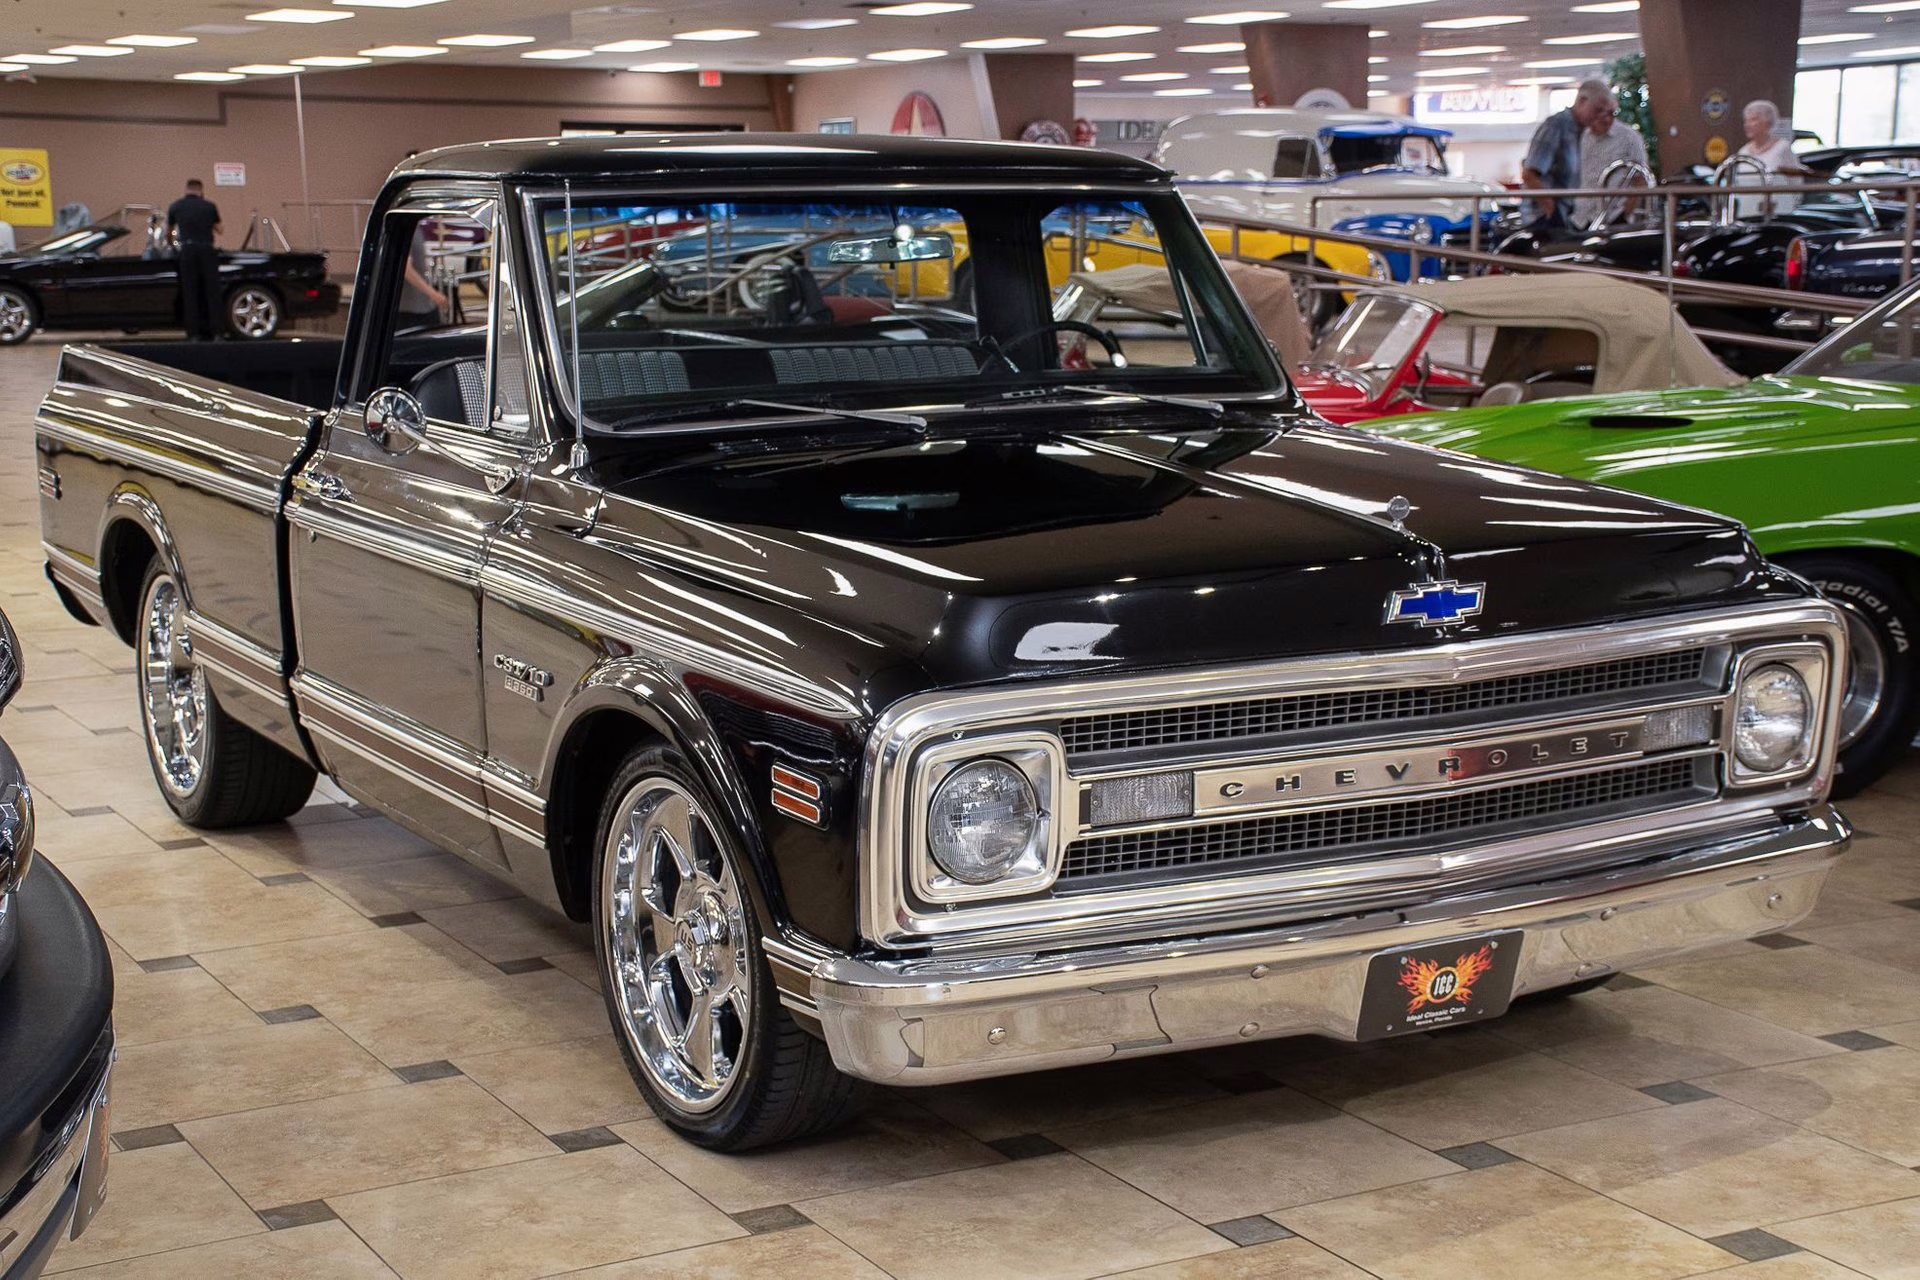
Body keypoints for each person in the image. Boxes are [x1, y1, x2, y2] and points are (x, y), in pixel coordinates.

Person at [1521, 79, 1615, 230]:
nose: (1599, 117)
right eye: (1597, 110)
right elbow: (1529, 174)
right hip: (1542, 218)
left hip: (1566, 214)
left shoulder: (1582, 133)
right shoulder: (1555, 126)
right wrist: (1552, 211)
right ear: (1582, 101)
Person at [1573, 90, 1649, 230]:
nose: (1606, 118)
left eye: (1611, 113)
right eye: (1600, 112)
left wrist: (1627, 212)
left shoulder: (1629, 137)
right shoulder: (1582, 136)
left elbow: (1641, 179)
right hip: (1582, 216)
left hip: (1615, 215)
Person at [166, 179, 222, 340]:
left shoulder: (176, 206)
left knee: (190, 292)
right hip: (206, 249)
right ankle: (217, 332)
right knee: (212, 292)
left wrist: (173, 246)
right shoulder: (209, 206)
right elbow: (220, 229)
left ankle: (193, 333)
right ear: (201, 190)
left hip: (188, 251)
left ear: (187, 189)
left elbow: (169, 233)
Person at [397, 220, 448, 332]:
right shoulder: (406, 230)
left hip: (419, 304)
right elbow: (406, 268)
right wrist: (433, 294)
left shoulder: (415, 229)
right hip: (411, 308)